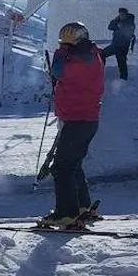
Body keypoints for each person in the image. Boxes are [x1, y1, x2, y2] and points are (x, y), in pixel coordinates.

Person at [40, 22, 105, 228]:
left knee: (62, 167)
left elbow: (57, 73)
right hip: (87, 120)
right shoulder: (93, 56)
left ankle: (66, 214)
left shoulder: (72, 62)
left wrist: (60, 52)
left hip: (76, 120)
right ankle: (83, 207)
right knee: (73, 164)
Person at [104, 7, 136, 81]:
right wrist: (116, 23)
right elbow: (110, 27)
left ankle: (124, 79)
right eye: (120, 14)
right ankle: (100, 71)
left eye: (123, 14)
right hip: (115, 45)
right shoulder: (117, 20)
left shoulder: (130, 22)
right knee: (101, 55)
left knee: (122, 62)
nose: (121, 16)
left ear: (126, 14)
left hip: (123, 46)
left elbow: (128, 32)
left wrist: (120, 27)